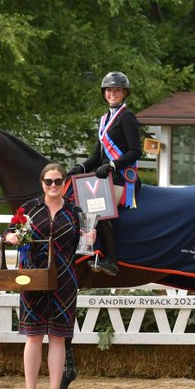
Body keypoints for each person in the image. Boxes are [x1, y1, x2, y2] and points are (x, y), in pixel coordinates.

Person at [3, 162, 88, 389]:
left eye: (58, 181)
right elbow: (7, 232)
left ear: (64, 183)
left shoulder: (74, 212)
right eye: (48, 181)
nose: (53, 185)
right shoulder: (28, 209)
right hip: (33, 276)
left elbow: (84, 245)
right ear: (42, 183)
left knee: (58, 337)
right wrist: (11, 236)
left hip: (65, 278)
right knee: (34, 335)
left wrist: (89, 238)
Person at [68, 71, 143, 277]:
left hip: (121, 177)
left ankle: (111, 260)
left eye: (117, 90)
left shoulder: (127, 117)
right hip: (103, 176)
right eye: (109, 90)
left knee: (98, 210)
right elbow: (96, 156)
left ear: (124, 93)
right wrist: (81, 167)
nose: (112, 94)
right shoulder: (104, 120)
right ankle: (87, 249)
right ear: (104, 93)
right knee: (80, 206)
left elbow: (135, 151)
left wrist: (111, 165)